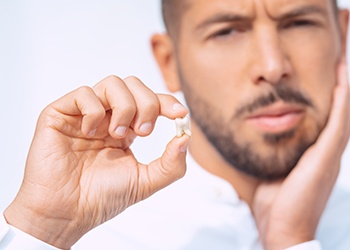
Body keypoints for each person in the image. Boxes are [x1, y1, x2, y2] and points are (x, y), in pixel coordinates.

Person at [1, 0, 350, 249]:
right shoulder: (95, 237)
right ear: (168, 61)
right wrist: (44, 230)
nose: (273, 66)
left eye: (299, 23)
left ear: (343, 36)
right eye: (227, 31)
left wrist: (292, 241)